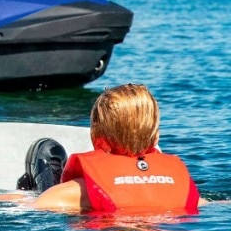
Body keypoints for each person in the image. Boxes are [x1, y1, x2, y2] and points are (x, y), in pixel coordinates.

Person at [24, 83, 203, 214]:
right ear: (155, 135)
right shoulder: (183, 189)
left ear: (96, 135)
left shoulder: (81, 191)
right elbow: (211, 204)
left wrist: (21, 198)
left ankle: (42, 182)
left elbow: (34, 208)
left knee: (36, 194)